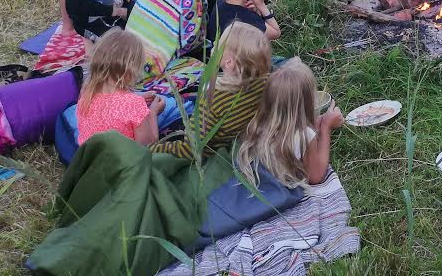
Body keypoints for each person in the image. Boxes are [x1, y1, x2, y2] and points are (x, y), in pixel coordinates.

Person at [154, 22, 272, 160]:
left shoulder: (214, 97)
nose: (215, 42)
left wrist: (151, 149)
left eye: (219, 42)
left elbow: (189, 149)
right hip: (235, 138)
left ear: (229, 63)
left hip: (209, 153)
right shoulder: (266, 81)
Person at [235, 57, 344, 189]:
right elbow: (316, 176)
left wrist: (316, 126)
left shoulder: (258, 123)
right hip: (277, 193)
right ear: (307, 103)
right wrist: (326, 127)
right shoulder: (304, 135)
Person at [76, 28, 165, 146]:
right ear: (131, 69)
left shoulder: (86, 94)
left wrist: (139, 101)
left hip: (91, 162)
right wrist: (152, 113)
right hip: (122, 164)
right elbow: (148, 146)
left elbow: (111, 108)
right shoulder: (134, 104)